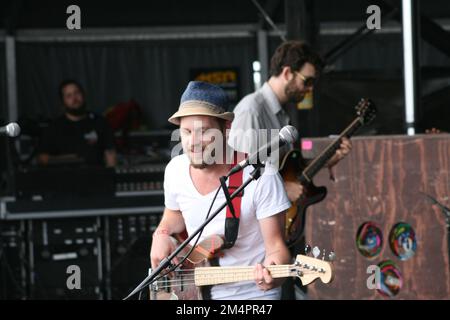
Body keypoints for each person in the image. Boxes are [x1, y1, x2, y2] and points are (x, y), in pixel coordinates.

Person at [228, 41, 353, 299]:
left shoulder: (280, 115)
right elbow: (241, 179)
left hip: (278, 233)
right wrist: (283, 190)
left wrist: (325, 160)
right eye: (307, 81)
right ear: (287, 72)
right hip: (259, 242)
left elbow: (284, 170)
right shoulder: (251, 111)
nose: (309, 89)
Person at [150, 81, 292, 300]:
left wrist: (274, 272)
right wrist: (161, 234)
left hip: (251, 296)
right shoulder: (175, 170)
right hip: (191, 294)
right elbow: (173, 217)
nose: (193, 142)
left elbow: (277, 249)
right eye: (186, 132)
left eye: (204, 131)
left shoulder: (263, 176)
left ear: (226, 128)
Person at [37, 80, 116, 167]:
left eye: (77, 93)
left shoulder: (100, 122)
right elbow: (42, 158)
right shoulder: (54, 127)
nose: (74, 98)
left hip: (96, 177)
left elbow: (110, 154)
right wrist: (71, 159)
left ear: (83, 95)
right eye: (69, 96)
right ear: (63, 102)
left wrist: (110, 176)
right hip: (64, 178)